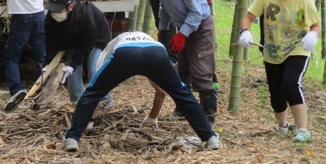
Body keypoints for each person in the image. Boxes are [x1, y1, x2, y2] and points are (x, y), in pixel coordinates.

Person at [61, 31, 219, 152]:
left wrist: (89, 122)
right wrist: (152, 117)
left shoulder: (111, 47)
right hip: (156, 53)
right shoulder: (150, 41)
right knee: (182, 94)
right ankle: (210, 137)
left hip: (125, 53)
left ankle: (72, 138)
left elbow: (95, 92)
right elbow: (162, 90)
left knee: (92, 91)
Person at [130, 0, 218, 125]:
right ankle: (182, 109)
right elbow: (164, 7)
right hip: (183, 27)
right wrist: (163, 29)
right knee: (182, 71)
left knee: (202, 72)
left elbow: (197, 12)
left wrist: (183, 34)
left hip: (200, 27)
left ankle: (208, 119)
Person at [239, 0, 320, 143]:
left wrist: (312, 36)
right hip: (273, 51)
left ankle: (303, 129)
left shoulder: (304, 1)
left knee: (290, 83)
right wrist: (245, 32)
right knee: (276, 92)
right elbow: (248, 17)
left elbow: (315, 25)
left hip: (297, 48)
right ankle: (283, 126)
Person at [44, 0, 113, 108]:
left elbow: (86, 44)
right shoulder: (51, 18)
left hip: (97, 39)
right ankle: (78, 103)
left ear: (70, 7)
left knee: (94, 69)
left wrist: (74, 63)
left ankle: (104, 102)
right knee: (71, 72)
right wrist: (49, 64)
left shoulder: (84, 14)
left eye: (58, 10)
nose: (54, 13)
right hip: (73, 41)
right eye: (52, 9)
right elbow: (51, 42)